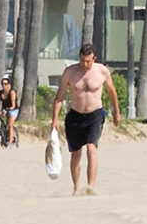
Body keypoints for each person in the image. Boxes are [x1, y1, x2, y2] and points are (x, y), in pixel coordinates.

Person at [50, 42, 121, 196]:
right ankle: (76, 187)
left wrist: (116, 111)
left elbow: (112, 92)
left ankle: (90, 186)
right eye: (82, 60)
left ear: (94, 58)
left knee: (91, 148)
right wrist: (55, 118)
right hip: (75, 115)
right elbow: (60, 97)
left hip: (95, 114)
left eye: (88, 61)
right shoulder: (70, 72)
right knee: (75, 153)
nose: (85, 64)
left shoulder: (102, 71)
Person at [0, 75, 20, 145]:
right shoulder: (0, 93)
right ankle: (0, 130)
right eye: (2, 84)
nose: (4, 85)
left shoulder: (12, 92)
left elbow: (13, 101)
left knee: (10, 125)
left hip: (13, 110)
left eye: (5, 84)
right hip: (5, 109)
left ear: (8, 85)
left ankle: (10, 141)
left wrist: (12, 107)